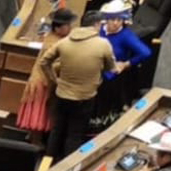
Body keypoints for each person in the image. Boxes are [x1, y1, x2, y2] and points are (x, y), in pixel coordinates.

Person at [38, 11, 117, 159]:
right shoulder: (103, 44)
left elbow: (44, 62)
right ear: (96, 25)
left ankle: (46, 163)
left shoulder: (64, 42)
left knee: (57, 130)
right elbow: (111, 68)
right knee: (75, 134)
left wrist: (55, 79)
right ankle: (67, 167)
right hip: (85, 97)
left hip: (62, 94)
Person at [91, 0, 151, 129]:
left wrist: (126, 64)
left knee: (105, 109)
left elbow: (145, 52)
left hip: (110, 77)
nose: (116, 23)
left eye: (119, 20)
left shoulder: (126, 35)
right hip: (92, 71)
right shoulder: (98, 29)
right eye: (113, 19)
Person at [17, 8, 74, 134]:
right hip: (43, 83)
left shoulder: (52, 37)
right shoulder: (54, 43)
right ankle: (35, 141)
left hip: (43, 81)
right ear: (58, 28)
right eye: (67, 25)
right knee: (39, 118)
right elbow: (52, 65)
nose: (70, 28)